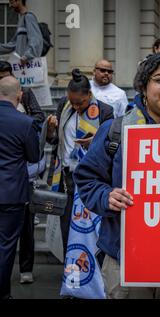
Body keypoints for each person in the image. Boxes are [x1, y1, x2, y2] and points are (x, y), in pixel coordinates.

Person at [73, 52, 160, 299]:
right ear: (144, 86)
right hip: (125, 260)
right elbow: (87, 178)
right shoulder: (115, 130)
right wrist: (106, 197)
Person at [46, 69, 114, 256]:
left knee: (92, 226)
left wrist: (95, 142)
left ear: (90, 95)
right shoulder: (64, 105)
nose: (76, 106)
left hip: (92, 176)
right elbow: (55, 141)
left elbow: (112, 145)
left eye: (80, 102)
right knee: (67, 225)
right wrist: (51, 130)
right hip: (66, 175)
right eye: (72, 102)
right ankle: (72, 268)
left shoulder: (105, 111)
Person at [0, 60, 44, 284]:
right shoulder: (25, 123)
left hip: (11, 192)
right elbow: (34, 157)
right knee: (6, 246)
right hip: (12, 193)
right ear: (18, 95)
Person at [0, 0, 43, 65]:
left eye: (11, 2)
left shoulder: (29, 16)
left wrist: (27, 56)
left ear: (19, 1)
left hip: (28, 65)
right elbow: (13, 44)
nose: (10, 5)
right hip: (22, 65)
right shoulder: (21, 20)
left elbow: (36, 39)